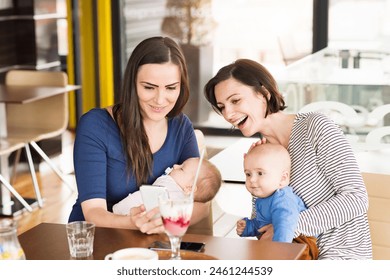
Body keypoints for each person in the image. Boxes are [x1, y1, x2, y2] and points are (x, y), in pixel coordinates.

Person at [204, 58, 372, 259]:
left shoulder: (315, 127)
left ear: (264, 94)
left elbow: (356, 198)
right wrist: (257, 177)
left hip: (343, 257)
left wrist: (290, 226)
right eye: (221, 107)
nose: (228, 114)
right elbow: (264, 225)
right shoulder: (263, 153)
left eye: (235, 100)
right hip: (294, 257)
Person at [68, 36, 212, 234]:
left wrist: (167, 220)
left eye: (171, 88)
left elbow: (201, 204)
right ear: (132, 84)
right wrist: (136, 222)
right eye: (149, 87)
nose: (160, 100)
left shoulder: (181, 127)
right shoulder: (95, 126)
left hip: (154, 241)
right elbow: (93, 211)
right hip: (95, 239)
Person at [237, 143, 318, 259]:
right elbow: (262, 225)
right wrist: (248, 227)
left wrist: (278, 251)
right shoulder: (263, 200)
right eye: (248, 174)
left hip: (299, 241)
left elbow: (285, 225)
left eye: (260, 173)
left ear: (283, 178)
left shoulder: (283, 199)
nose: (252, 180)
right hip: (278, 241)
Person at [113, 157, 222, 215]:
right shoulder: (180, 196)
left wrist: (118, 210)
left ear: (189, 188)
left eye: (181, 168)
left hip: (124, 211)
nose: (175, 166)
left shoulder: (170, 190)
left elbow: (139, 198)